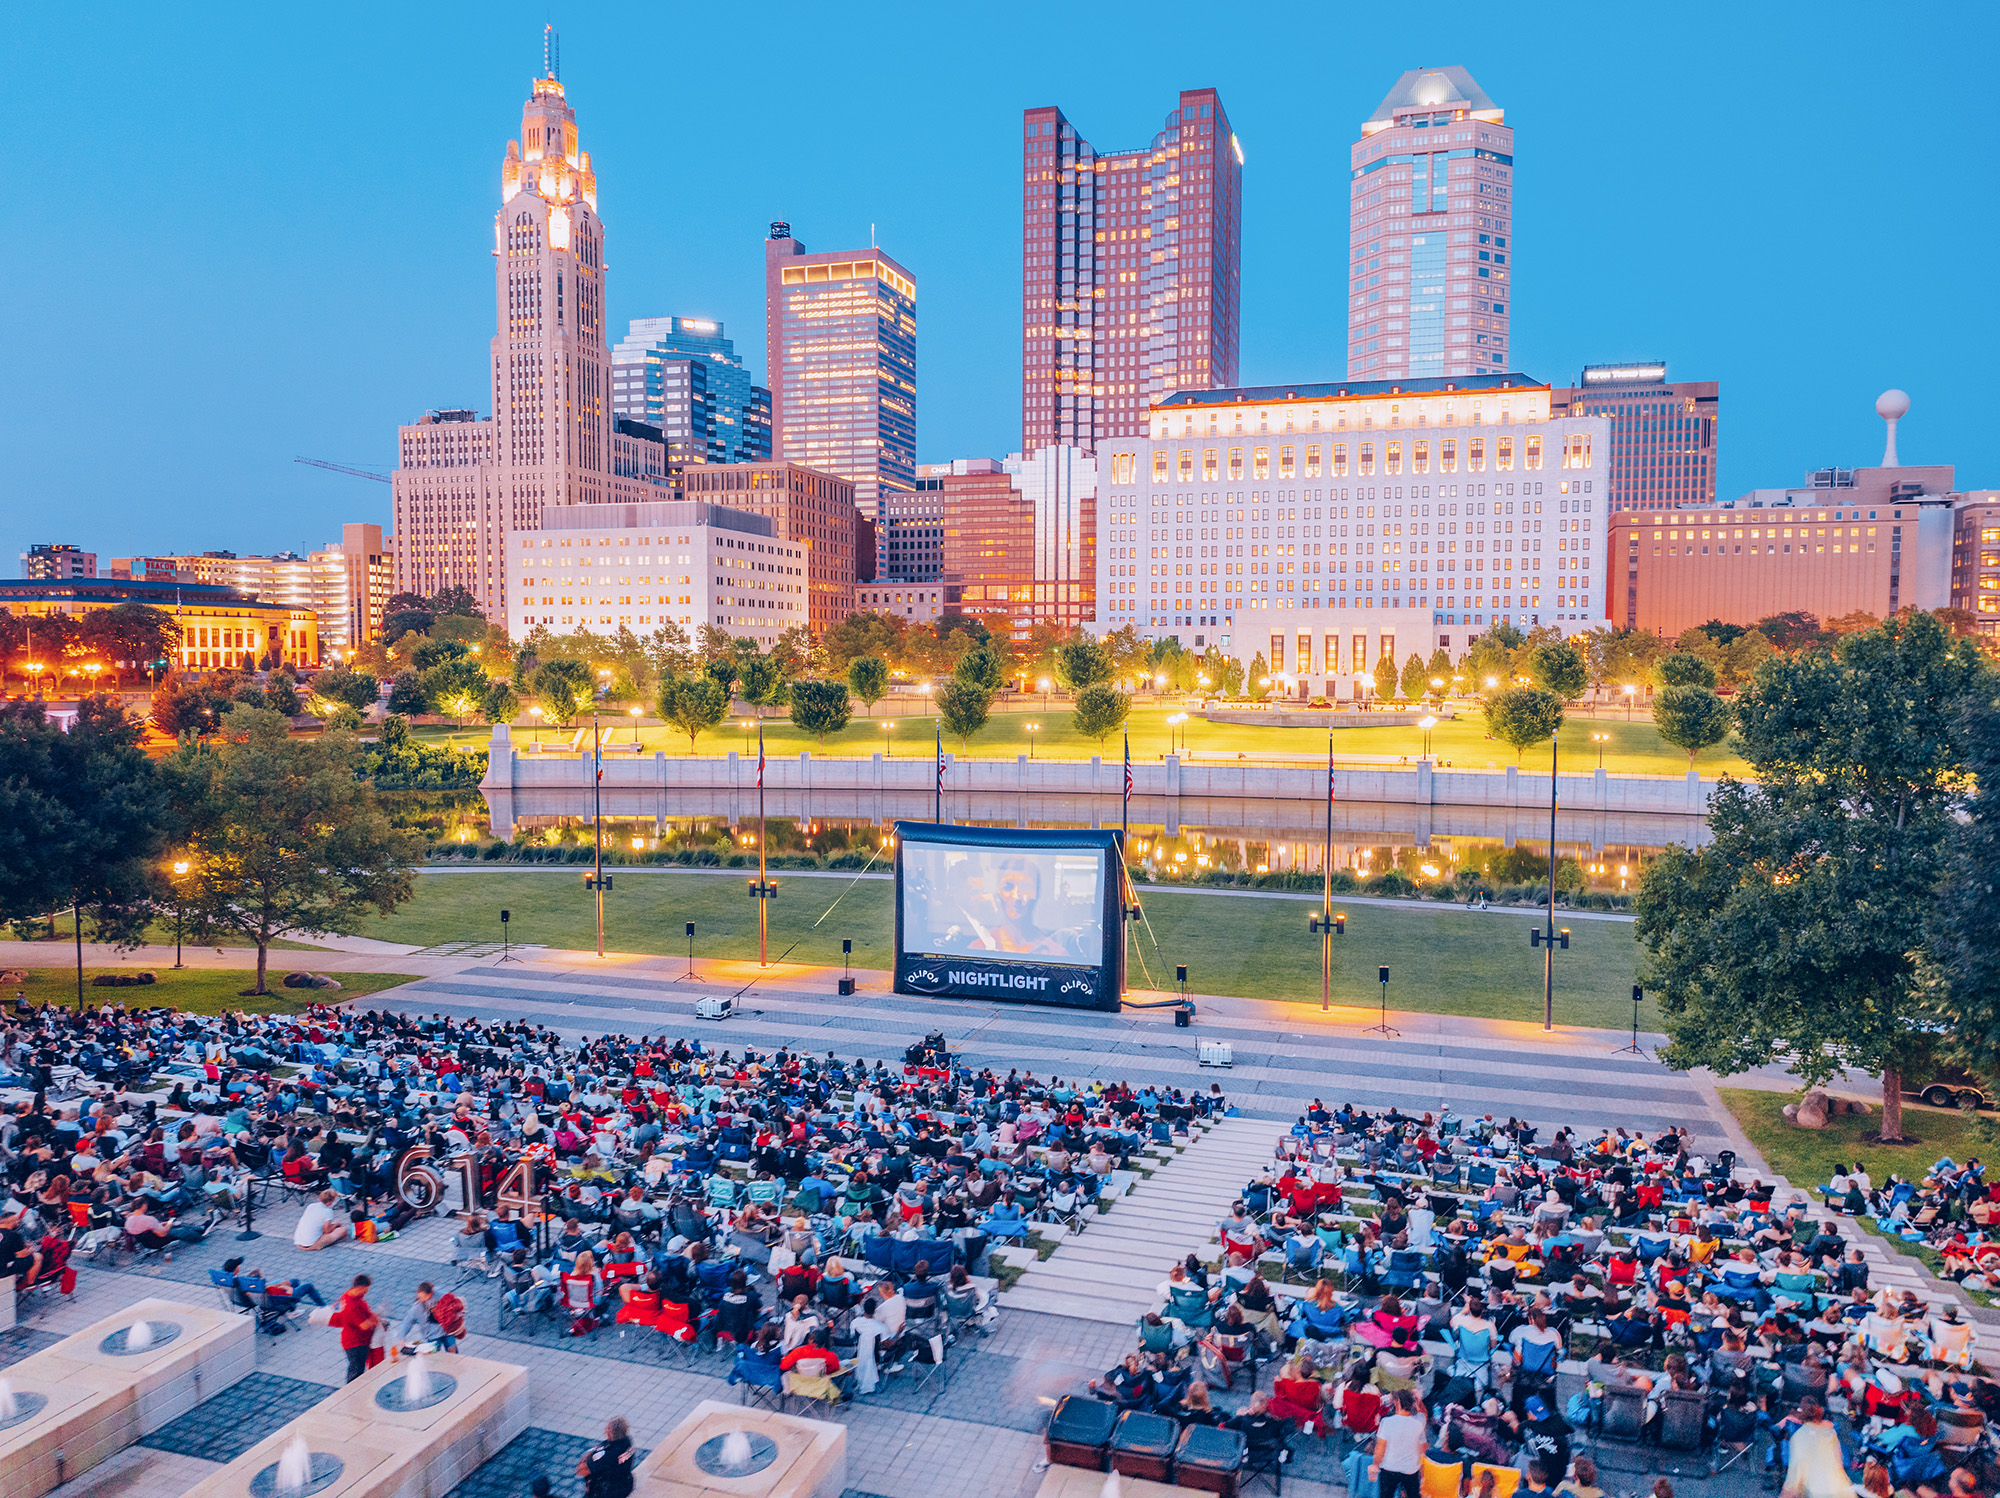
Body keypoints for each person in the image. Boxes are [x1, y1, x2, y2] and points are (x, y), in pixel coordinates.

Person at [1779, 1399, 1855, 1498]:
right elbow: (1839, 1459)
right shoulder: (1830, 1432)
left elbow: (1795, 1473)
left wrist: (1786, 1493)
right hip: (1841, 1489)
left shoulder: (1798, 1437)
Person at [1371, 1387, 1427, 1498]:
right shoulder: (1418, 1423)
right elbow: (1423, 1449)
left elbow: (1380, 1448)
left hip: (1389, 1468)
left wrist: (1375, 1464)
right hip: (1411, 1469)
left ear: (1398, 1403)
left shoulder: (1387, 1422)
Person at [335, 1274, 379, 1382]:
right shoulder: (352, 1306)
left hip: (353, 1340)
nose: (365, 1293)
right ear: (359, 1287)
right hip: (356, 1343)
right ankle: (351, 1393)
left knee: (356, 1368)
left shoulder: (347, 1296)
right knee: (356, 1371)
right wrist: (377, 1317)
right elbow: (364, 1325)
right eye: (364, 1290)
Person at [578, 1417, 634, 1498]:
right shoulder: (628, 1442)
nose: (605, 1430)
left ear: (610, 1432)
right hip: (625, 1484)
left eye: (607, 1428)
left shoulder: (609, 1455)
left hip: (607, 1492)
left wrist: (585, 1463)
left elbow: (584, 1470)